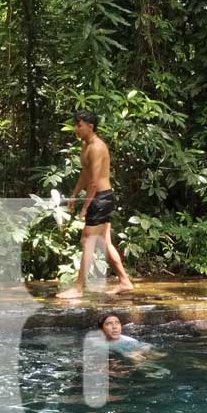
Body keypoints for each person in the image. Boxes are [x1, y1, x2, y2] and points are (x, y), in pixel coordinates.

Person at [55, 110, 135, 299]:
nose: (76, 129)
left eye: (79, 125)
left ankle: (78, 288)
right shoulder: (85, 145)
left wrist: (85, 207)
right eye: (75, 124)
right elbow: (85, 174)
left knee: (87, 240)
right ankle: (124, 281)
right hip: (97, 198)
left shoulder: (97, 147)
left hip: (101, 198)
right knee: (104, 241)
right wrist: (74, 195)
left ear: (90, 126)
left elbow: (94, 181)